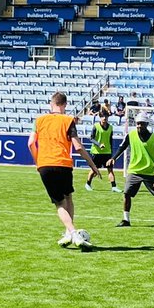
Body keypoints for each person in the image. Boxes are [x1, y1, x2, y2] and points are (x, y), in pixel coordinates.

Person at [29, 92, 101, 248]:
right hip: (64, 164)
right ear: (65, 105)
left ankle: (70, 233)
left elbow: (30, 143)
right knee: (67, 197)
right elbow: (78, 147)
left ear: (51, 104)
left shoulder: (39, 120)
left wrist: (37, 162)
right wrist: (92, 166)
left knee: (60, 203)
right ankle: (73, 233)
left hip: (45, 164)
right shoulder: (69, 120)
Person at [109, 113, 154, 227]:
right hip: (134, 170)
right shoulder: (131, 135)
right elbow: (122, 147)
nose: (139, 126)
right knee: (126, 194)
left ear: (146, 124)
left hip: (150, 171)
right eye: (138, 123)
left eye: (142, 124)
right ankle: (126, 220)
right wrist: (113, 158)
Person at [86, 109, 120, 192]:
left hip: (107, 152)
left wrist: (111, 153)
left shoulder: (111, 127)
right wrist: (99, 144)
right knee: (94, 170)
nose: (104, 118)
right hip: (97, 152)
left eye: (106, 116)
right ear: (100, 117)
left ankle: (114, 187)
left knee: (110, 170)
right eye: (102, 116)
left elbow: (110, 140)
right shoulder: (96, 126)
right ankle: (88, 184)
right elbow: (91, 138)